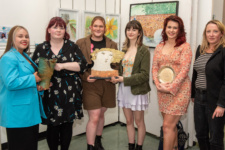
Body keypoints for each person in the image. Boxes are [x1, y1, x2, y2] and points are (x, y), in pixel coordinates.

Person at [32, 17, 88, 150]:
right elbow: (33, 69)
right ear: (49, 30)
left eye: (62, 27)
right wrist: (40, 80)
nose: (58, 30)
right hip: (49, 92)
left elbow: (83, 65)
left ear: (65, 30)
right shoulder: (41, 48)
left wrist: (62, 66)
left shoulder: (72, 46)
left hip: (70, 92)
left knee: (67, 125)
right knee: (52, 126)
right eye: (55, 27)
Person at [76, 16, 118, 150]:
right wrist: (85, 76)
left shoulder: (112, 44)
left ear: (105, 28)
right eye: (95, 26)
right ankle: (90, 146)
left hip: (107, 85)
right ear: (91, 27)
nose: (98, 29)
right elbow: (78, 65)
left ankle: (98, 141)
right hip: (90, 85)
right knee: (94, 116)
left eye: (101, 26)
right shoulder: (81, 43)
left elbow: (116, 65)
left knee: (100, 114)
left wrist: (111, 75)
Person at [152, 15, 192, 150]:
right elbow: (155, 67)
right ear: (165, 29)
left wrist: (171, 87)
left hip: (179, 91)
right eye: (169, 27)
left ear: (180, 30)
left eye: (175, 28)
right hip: (162, 90)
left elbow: (184, 70)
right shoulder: (159, 46)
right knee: (171, 126)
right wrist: (158, 84)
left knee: (167, 127)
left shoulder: (185, 47)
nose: (172, 30)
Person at [0, 26, 43, 150]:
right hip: (18, 114)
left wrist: (37, 86)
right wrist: (33, 79)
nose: (24, 39)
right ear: (12, 39)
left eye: (26, 36)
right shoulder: (8, 57)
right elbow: (11, 83)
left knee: (30, 145)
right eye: (20, 36)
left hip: (29, 111)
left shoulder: (24, 55)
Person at [111, 20, 150, 150]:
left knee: (139, 122)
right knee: (128, 121)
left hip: (137, 91)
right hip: (124, 90)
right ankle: (131, 146)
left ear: (139, 32)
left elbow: (144, 75)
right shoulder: (123, 49)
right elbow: (120, 70)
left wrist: (123, 79)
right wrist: (115, 77)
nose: (131, 32)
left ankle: (139, 147)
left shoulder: (144, 50)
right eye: (128, 29)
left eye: (134, 30)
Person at [191, 20, 225, 150]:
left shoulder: (223, 51)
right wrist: (193, 94)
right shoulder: (201, 49)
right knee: (201, 134)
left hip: (215, 101)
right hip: (199, 99)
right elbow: (196, 73)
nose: (211, 34)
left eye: (215, 31)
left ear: (221, 34)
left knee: (215, 138)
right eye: (208, 31)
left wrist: (221, 104)